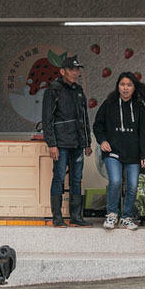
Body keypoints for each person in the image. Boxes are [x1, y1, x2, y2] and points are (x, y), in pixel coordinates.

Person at [94, 71, 145, 230]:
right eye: (122, 85)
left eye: (129, 85)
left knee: (132, 185)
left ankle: (126, 217)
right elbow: (97, 125)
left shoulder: (139, 107)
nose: (125, 88)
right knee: (115, 181)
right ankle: (112, 214)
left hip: (133, 154)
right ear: (117, 86)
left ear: (134, 88)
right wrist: (102, 140)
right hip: (113, 152)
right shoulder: (109, 104)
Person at [42, 56, 92, 226]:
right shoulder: (53, 90)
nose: (75, 73)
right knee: (59, 177)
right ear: (62, 71)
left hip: (78, 143)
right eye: (72, 69)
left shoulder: (79, 90)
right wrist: (52, 144)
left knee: (77, 179)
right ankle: (57, 218)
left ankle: (76, 217)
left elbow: (84, 117)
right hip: (61, 143)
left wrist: (87, 143)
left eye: (77, 69)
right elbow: (46, 119)